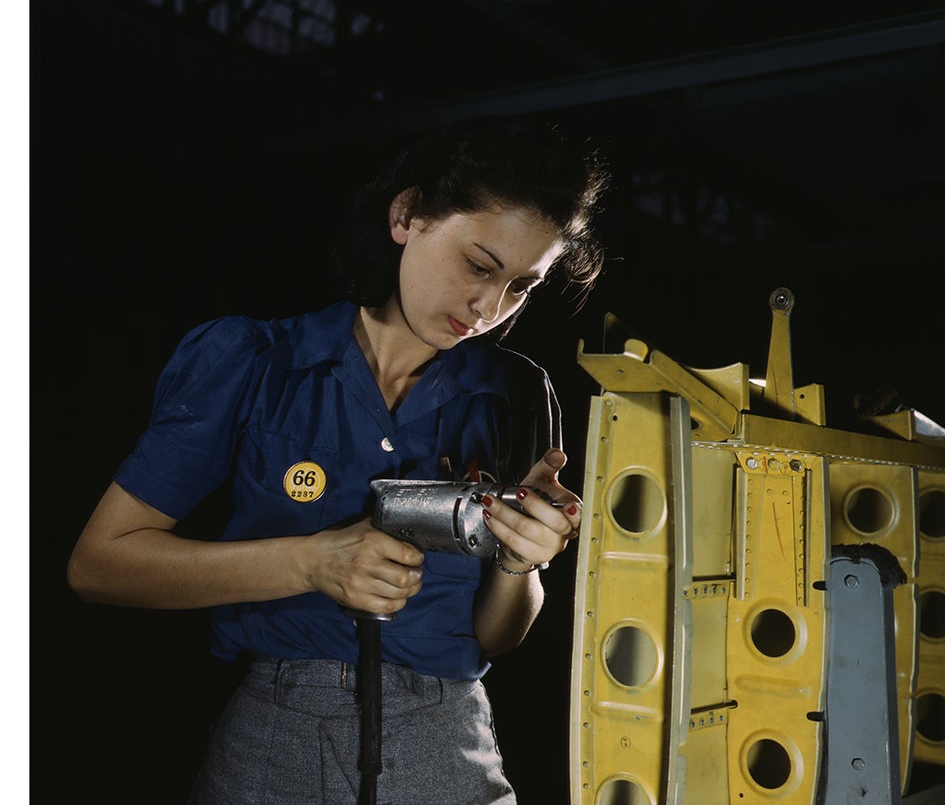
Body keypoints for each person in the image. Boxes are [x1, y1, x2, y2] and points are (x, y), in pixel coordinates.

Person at [66, 116, 610, 804]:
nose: (487, 307)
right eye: (479, 265)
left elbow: (498, 636)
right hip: (273, 730)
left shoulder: (515, 393)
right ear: (406, 216)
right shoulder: (255, 362)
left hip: (448, 733)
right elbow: (99, 565)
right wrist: (310, 562)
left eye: (521, 287)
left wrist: (520, 561)